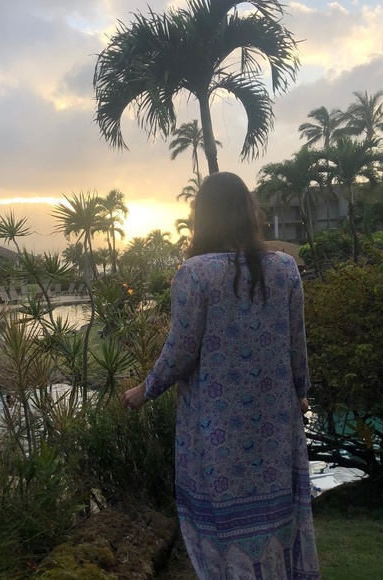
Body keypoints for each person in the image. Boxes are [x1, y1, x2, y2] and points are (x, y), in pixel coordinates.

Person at [122, 172, 320, 579]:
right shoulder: (285, 268)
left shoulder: (195, 274)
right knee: (276, 522)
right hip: (275, 425)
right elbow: (296, 345)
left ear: (204, 217)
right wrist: (301, 392)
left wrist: (145, 390)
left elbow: (180, 351)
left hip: (217, 434)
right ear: (248, 212)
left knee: (224, 530)